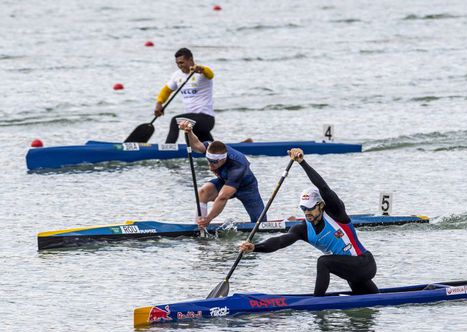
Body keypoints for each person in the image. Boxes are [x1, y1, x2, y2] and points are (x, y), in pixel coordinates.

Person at [239, 148, 379, 297]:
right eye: (303, 209)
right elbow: (279, 242)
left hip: (364, 263)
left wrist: (302, 162)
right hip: (350, 271)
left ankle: (317, 301)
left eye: (310, 208)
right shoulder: (303, 229)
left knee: (323, 262)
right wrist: (254, 247)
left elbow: (323, 188)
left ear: (320, 205)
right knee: (371, 302)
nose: (306, 212)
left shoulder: (336, 213)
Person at [179, 120, 266, 227]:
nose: (210, 165)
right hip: (225, 181)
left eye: (214, 162)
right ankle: (198, 225)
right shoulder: (212, 147)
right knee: (203, 192)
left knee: (260, 224)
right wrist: (189, 132)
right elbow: (196, 145)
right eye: (208, 160)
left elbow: (223, 197)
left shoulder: (237, 167)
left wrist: (209, 219)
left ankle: (204, 222)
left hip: (246, 188)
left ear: (223, 159)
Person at [155, 47, 215, 143]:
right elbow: (166, 91)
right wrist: (159, 103)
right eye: (177, 63)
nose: (179, 66)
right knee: (208, 147)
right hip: (193, 121)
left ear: (190, 60)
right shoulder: (177, 75)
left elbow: (210, 74)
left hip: (205, 119)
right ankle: (242, 145)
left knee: (175, 121)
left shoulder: (202, 72)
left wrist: (201, 69)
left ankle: (168, 148)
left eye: (182, 62)